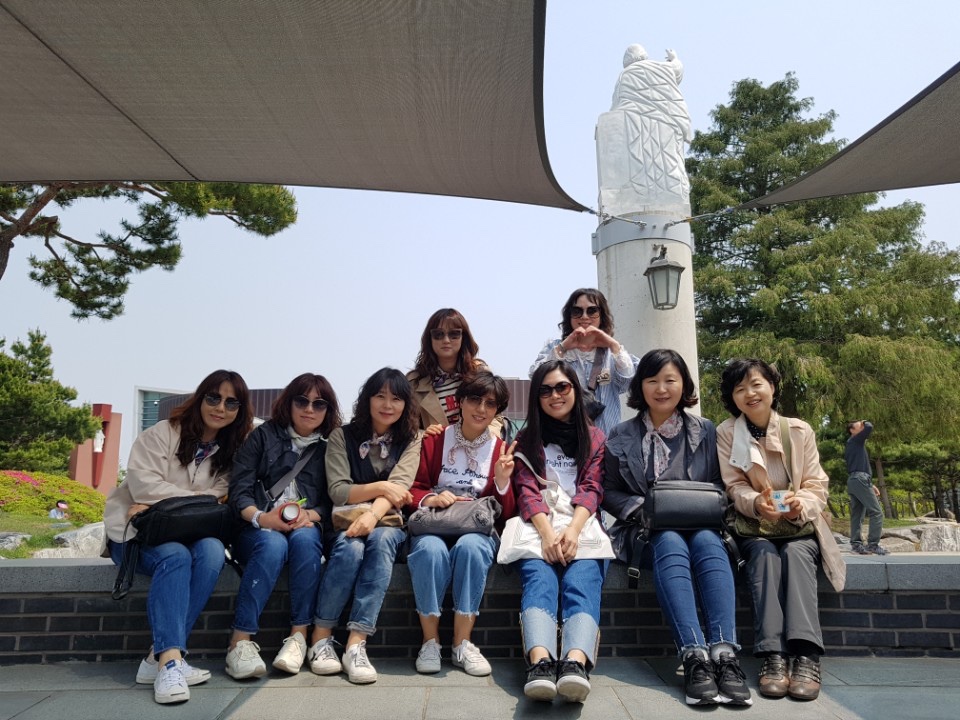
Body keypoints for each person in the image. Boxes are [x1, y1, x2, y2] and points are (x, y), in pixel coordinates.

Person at [603, 349, 752, 706]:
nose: (661, 388)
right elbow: (608, 490)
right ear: (640, 386)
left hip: (702, 526)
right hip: (644, 532)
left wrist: (691, 505)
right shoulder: (621, 434)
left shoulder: (705, 430)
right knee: (669, 540)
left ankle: (724, 654)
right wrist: (645, 509)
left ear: (684, 384)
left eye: (670, 380)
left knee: (708, 542)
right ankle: (693, 655)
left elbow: (719, 483)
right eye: (652, 380)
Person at [102, 370, 252, 704]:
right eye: (213, 397)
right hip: (134, 536)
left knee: (212, 551)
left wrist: (165, 501)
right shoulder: (162, 434)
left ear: (239, 411)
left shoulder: (232, 452)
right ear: (200, 398)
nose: (221, 408)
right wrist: (196, 500)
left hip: (191, 535)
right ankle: (171, 664)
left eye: (231, 403)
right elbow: (144, 486)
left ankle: (158, 657)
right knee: (176, 556)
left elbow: (220, 495)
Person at [716, 359, 845, 702]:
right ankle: (772, 655)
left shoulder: (799, 430)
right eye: (740, 388)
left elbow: (816, 483)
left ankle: (806, 654)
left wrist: (801, 502)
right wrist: (757, 503)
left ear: (772, 387)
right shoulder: (727, 433)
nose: (750, 393)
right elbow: (733, 485)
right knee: (763, 556)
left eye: (756, 384)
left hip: (798, 526)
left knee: (797, 554)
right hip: (755, 526)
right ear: (732, 397)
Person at [308, 368, 422, 684]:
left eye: (396, 398)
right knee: (350, 548)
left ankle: (356, 643)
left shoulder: (412, 439)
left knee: (382, 541)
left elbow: (401, 484)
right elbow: (338, 490)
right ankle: (320, 636)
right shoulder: (341, 436)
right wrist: (384, 487)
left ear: (406, 404)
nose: (387, 405)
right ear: (367, 399)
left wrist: (372, 514)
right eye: (380, 396)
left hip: (386, 523)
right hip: (344, 522)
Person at [225, 373, 342, 679]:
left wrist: (310, 516)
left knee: (305, 540)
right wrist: (263, 518)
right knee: (272, 543)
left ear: (328, 410)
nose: (309, 409)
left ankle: (298, 637)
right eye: (302, 401)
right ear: (289, 403)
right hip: (257, 527)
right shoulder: (262, 436)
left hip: (304, 526)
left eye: (319, 404)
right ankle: (240, 642)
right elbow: (239, 491)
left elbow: (334, 499)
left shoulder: (330, 446)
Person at [406, 372, 517, 677]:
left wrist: (502, 481)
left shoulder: (500, 449)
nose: (481, 409)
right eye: (474, 399)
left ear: (497, 411)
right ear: (460, 402)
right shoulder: (435, 440)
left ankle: (461, 643)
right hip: (435, 523)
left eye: (490, 404)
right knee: (428, 550)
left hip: (476, 528)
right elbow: (412, 488)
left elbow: (506, 512)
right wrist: (431, 497)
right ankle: (430, 642)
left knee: (472, 549)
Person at [511, 359, 607, 703]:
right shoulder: (526, 439)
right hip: (538, 525)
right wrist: (548, 534)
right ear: (536, 397)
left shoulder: (594, 438)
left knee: (583, 579)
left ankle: (575, 663)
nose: (555, 395)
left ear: (575, 390)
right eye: (545, 390)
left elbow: (592, 487)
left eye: (562, 387)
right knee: (539, 579)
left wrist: (573, 531)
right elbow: (525, 489)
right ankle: (540, 662)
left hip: (581, 524)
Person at [530, 288, 638, 434]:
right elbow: (537, 378)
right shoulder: (554, 347)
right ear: (569, 315)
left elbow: (627, 383)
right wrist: (563, 348)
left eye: (592, 311)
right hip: (562, 439)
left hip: (606, 439)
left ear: (602, 315)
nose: (584, 316)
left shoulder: (613, 353)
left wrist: (614, 346)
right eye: (577, 311)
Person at [407, 308, 496, 435]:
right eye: (438, 334)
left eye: (454, 334)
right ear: (429, 339)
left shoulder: (480, 372)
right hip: (436, 446)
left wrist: (490, 437)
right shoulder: (414, 382)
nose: (446, 340)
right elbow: (406, 427)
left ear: (463, 337)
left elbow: (497, 416)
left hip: (478, 445)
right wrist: (423, 435)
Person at [845, 420, 887, 555]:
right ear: (852, 430)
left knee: (857, 514)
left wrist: (871, 484)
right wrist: (865, 421)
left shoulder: (852, 443)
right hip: (860, 479)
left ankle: (856, 545)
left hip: (855, 480)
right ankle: (873, 544)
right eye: (859, 426)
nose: (862, 428)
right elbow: (869, 427)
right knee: (877, 512)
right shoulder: (855, 440)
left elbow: (858, 468)